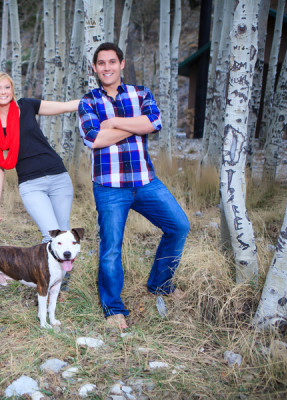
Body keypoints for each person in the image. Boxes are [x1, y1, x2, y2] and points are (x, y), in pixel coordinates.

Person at [78, 42, 190, 331]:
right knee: (111, 248)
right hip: (109, 187)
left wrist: (114, 122)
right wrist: (134, 126)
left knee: (179, 226)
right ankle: (113, 308)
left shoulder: (141, 93)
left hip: (145, 182)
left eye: (112, 62)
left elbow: (154, 122)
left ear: (122, 64)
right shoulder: (88, 101)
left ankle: (160, 284)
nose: (107, 67)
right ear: (95, 68)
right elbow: (93, 139)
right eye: (101, 63)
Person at [0, 72, 79, 285]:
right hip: (31, 184)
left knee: (65, 235)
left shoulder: (26, 106)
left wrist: (93, 99)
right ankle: (47, 283)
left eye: (7, 87)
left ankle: (61, 282)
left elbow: (65, 106)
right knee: (51, 236)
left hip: (58, 176)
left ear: (12, 89)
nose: (3, 92)